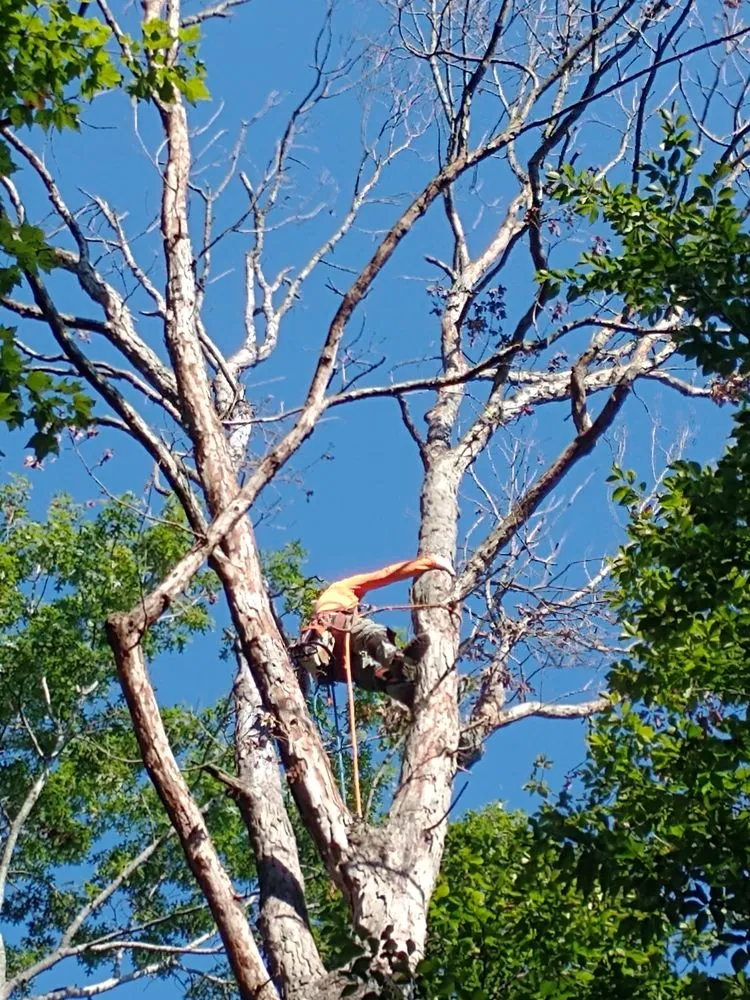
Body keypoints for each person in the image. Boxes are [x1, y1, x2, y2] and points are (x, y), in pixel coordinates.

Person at [291, 555, 454, 706]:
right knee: (369, 632)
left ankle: (404, 692)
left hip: (336, 666)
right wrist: (430, 562)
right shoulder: (341, 588)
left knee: (369, 670)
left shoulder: (314, 622)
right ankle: (394, 659)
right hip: (337, 627)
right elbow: (386, 574)